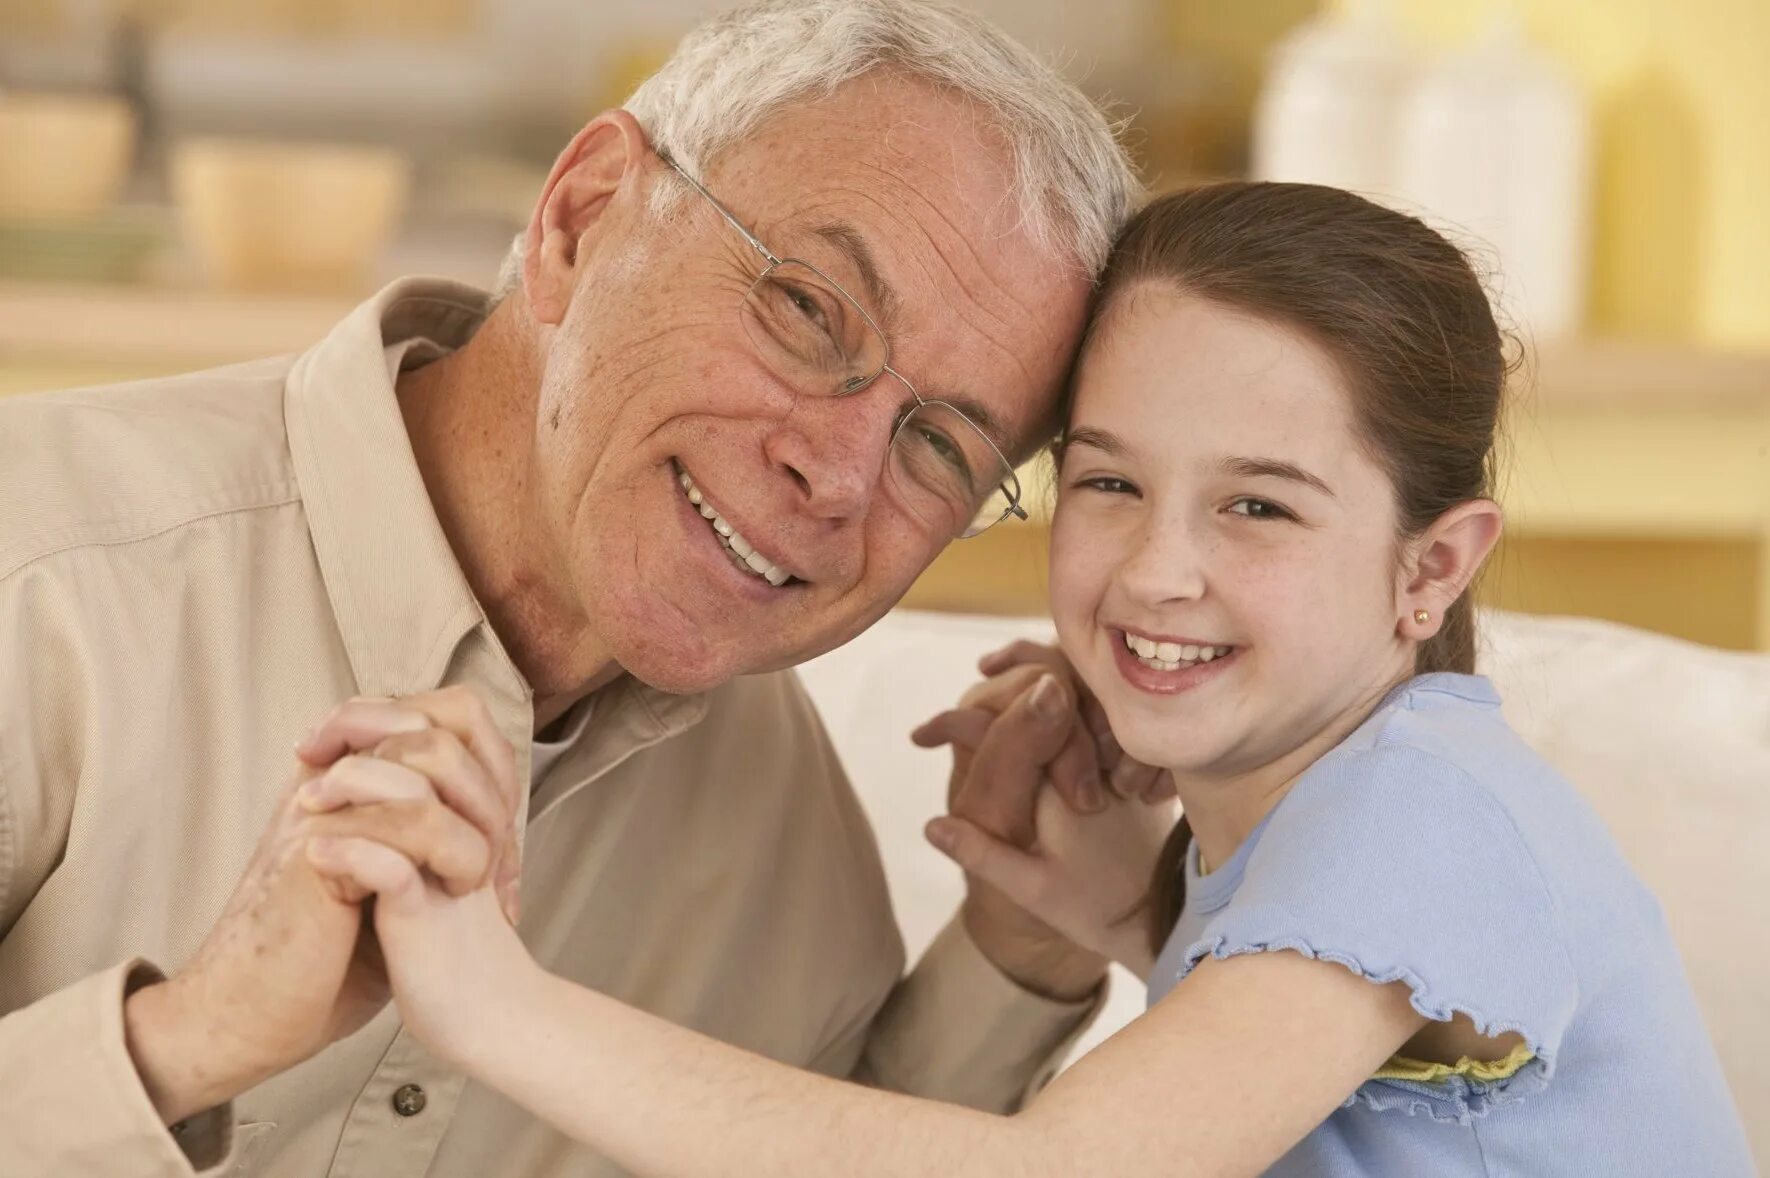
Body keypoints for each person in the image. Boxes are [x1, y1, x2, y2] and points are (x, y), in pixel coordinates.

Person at [304, 182, 1755, 1175]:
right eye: (1111, 480)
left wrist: (487, 997)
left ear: (1429, 568)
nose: (1153, 569)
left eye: (1258, 506)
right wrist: (1128, 915)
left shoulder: (1426, 813)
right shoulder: (1324, 829)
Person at [0, 2, 1143, 1174]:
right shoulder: (37, 570)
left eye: (944, 447)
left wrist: (1026, 936)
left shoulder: (777, 834)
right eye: (807, 310)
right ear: (581, 218)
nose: (841, 473)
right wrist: (181, 1042)